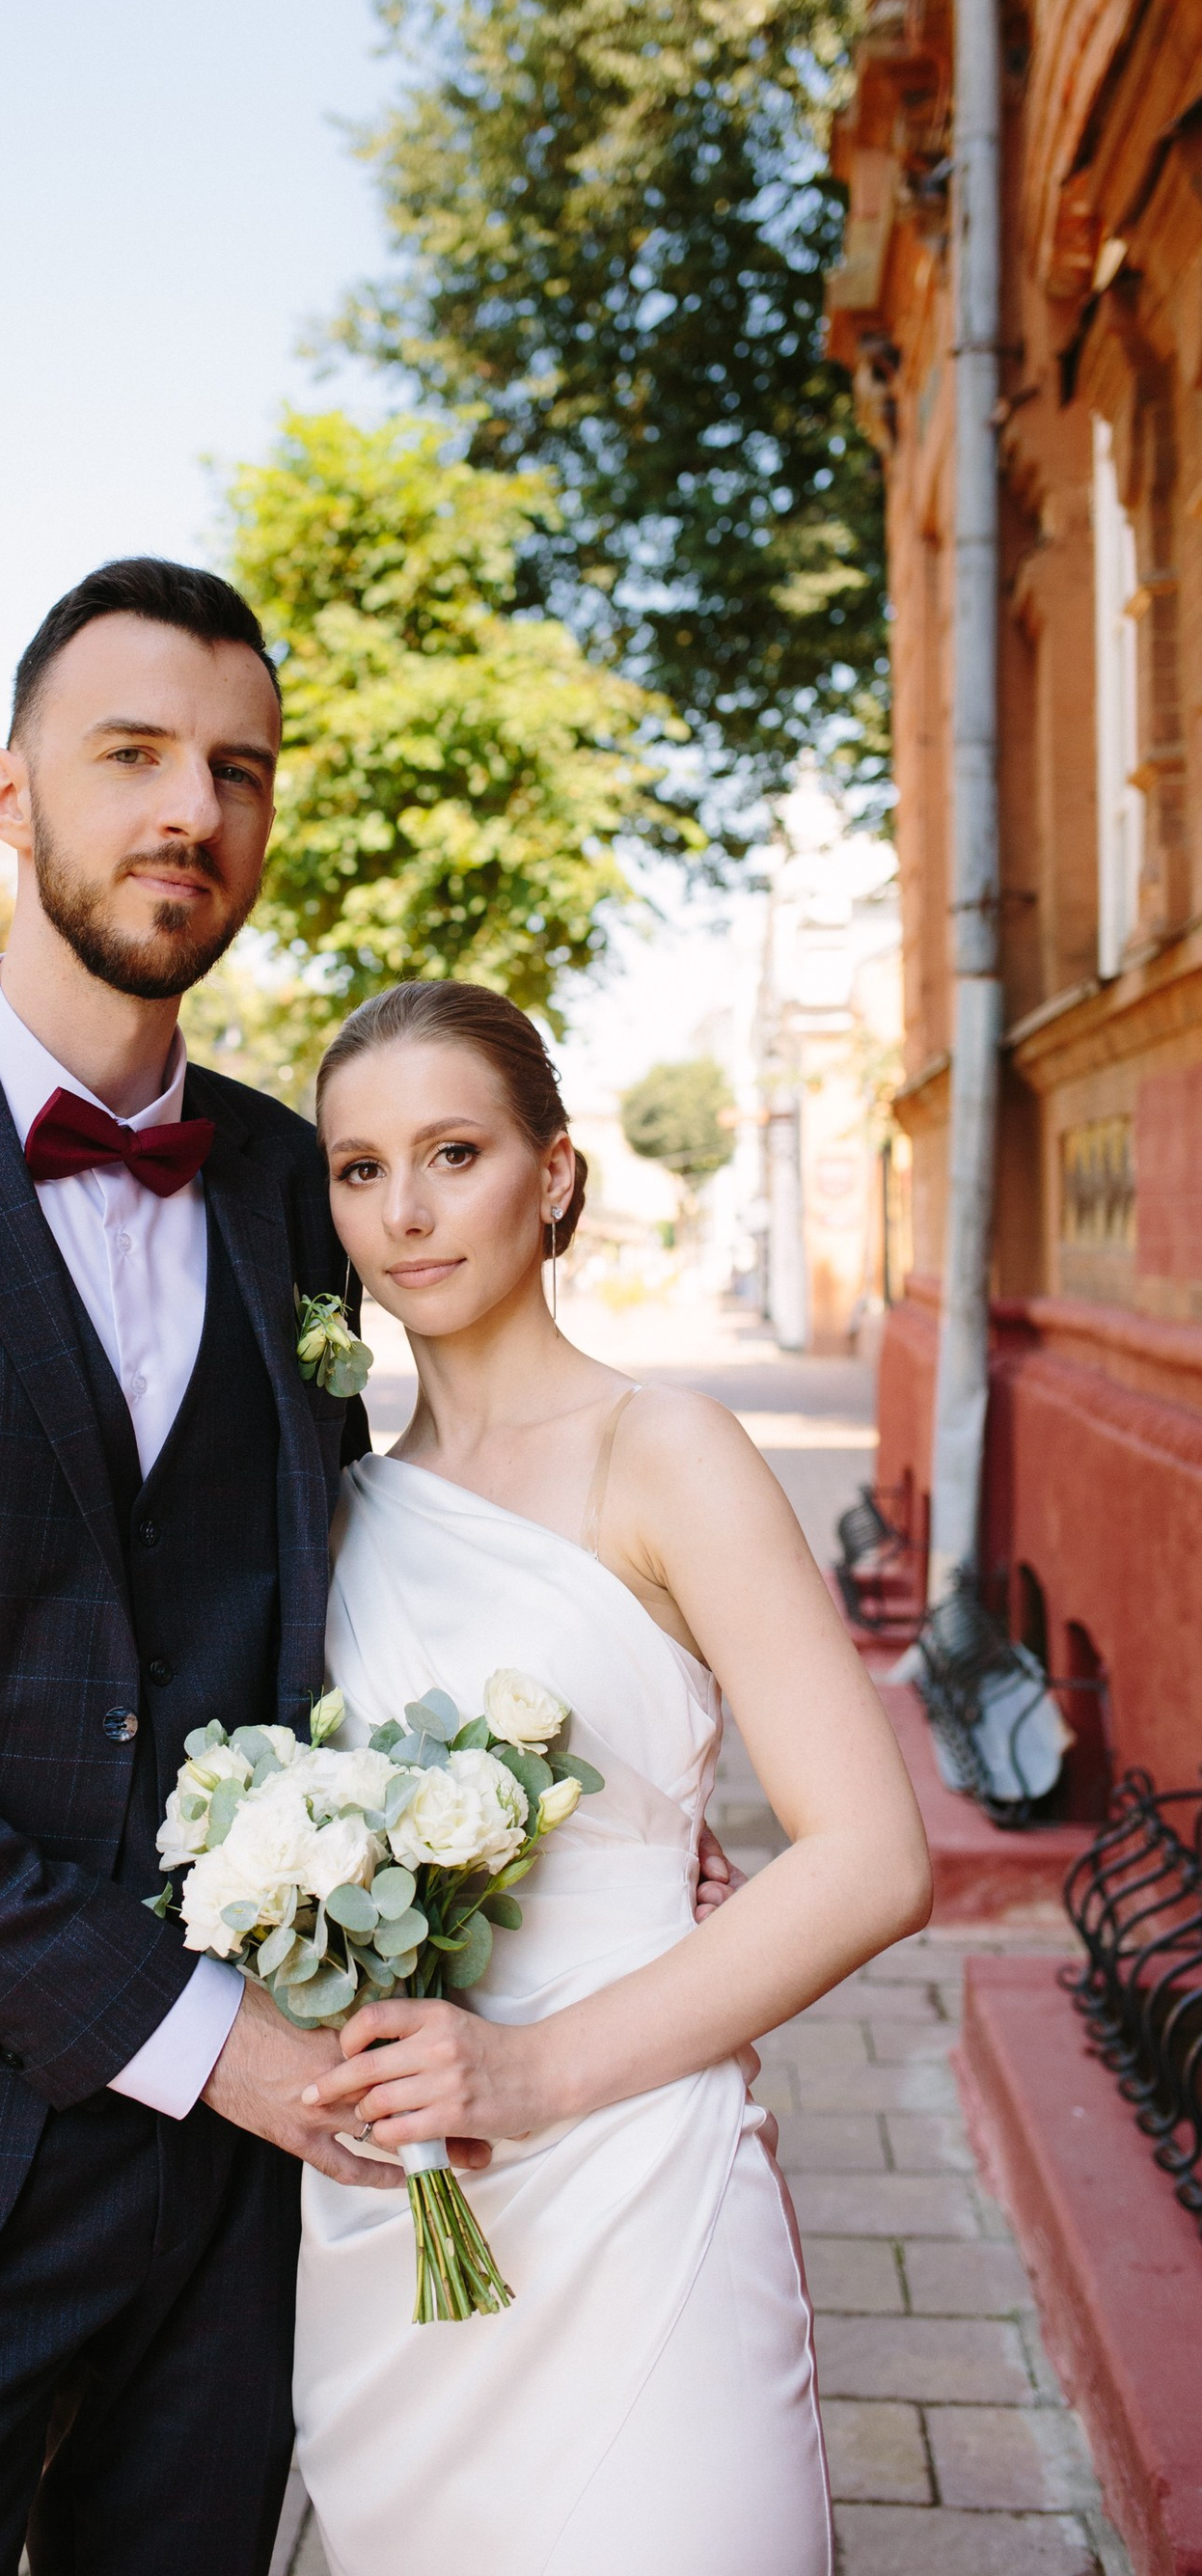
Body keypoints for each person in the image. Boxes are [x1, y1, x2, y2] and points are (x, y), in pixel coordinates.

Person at [0, 560, 737, 2574]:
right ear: (6, 790)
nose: (189, 810)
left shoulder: (300, 1191)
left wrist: (606, 1794)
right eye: (133, 754)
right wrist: (206, 2040)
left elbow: (390, 1567)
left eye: (237, 770)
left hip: (238, 2221)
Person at [293, 981, 932, 2576]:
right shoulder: (336, 1510)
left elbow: (870, 1858)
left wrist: (532, 2074)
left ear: (556, 1172)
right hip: (393, 2228)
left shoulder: (668, 1451)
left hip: (634, 2174)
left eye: (454, 1153)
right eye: (361, 1169)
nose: (407, 1212)